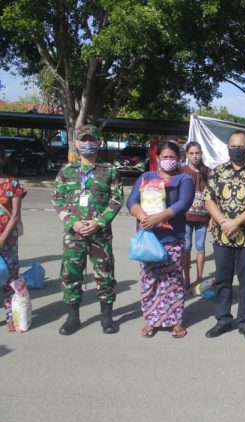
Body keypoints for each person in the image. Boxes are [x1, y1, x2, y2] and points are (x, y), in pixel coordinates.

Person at [51, 124, 123, 335]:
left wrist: (98, 223)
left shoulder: (110, 171)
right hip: (74, 235)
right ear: (76, 143)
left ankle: (106, 318)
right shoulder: (66, 171)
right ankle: (72, 318)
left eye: (91, 139)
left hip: (100, 234)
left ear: (99, 142)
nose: (87, 143)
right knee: (70, 275)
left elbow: (116, 200)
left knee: (105, 274)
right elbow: (57, 199)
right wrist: (72, 221)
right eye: (83, 140)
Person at [203, 130, 245, 342]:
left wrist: (236, 222)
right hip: (222, 236)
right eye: (233, 146)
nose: (236, 150)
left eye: (240, 147)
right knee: (223, 280)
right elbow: (208, 199)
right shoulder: (217, 172)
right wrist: (223, 222)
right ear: (228, 147)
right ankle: (223, 319)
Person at [127, 138, 194, 338]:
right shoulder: (146, 177)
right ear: (157, 158)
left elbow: (184, 203)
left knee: (172, 281)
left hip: (172, 238)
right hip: (148, 239)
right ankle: (151, 320)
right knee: (149, 280)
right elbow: (132, 201)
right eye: (164, 157)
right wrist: (143, 217)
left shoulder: (184, 179)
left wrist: (159, 217)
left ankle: (175, 321)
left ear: (178, 158)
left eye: (172, 157)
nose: (168, 160)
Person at [0, 147, 27, 332]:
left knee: (10, 279)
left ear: (2, 160)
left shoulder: (12, 184)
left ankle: (12, 316)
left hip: (8, 242)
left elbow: (15, 215)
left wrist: (2, 239)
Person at [180, 141, 211, 289]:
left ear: (201, 154)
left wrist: (212, 219)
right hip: (185, 218)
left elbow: (214, 196)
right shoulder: (181, 171)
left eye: (197, 153)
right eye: (191, 153)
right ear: (187, 154)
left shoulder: (209, 172)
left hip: (203, 218)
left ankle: (199, 278)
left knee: (200, 246)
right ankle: (186, 278)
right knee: (186, 247)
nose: (194, 156)